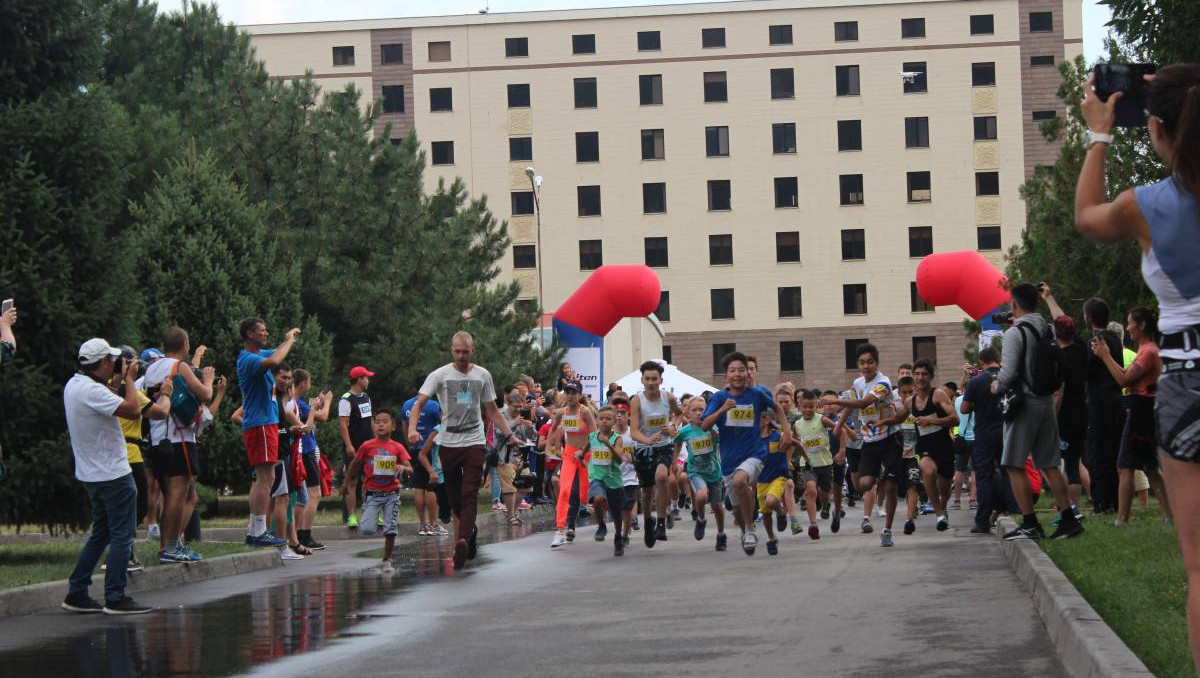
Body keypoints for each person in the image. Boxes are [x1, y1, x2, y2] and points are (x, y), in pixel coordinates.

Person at [1075, 65, 1200, 672]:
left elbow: (1086, 217)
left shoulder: (1145, 206)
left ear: (1153, 127)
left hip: (1187, 379)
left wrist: (1100, 134)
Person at [62, 339, 166, 615]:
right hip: (113, 473)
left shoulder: (76, 386)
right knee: (122, 534)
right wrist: (130, 380)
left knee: (102, 533)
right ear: (104, 362)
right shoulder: (92, 391)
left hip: (91, 473)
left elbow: (104, 397)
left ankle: (77, 591)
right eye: (113, 360)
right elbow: (132, 409)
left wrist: (119, 378)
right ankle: (115, 597)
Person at [406, 331, 519, 570]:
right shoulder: (440, 375)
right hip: (448, 443)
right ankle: (471, 531)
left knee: (470, 494)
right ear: (451, 350)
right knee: (456, 498)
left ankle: (463, 540)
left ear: (473, 351)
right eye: (457, 351)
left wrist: (509, 435)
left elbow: (492, 411)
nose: (461, 356)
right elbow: (418, 405)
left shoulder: (482, 375)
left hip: (474, 441)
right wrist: (412, 429)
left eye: (465, 352)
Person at [990, 283, 1084, 541]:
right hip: (1045, 402)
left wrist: (995, 386)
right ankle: (1069, 519)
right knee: (1049, 463)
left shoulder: (1014, 333)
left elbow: (1007, 375)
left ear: (1013, 304)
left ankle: (1030, 522)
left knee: (1013, 464)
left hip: (1024, 405)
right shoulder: (1047, 327)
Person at [702, 351, 790, 556]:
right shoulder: (719, 398)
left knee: (741, 482)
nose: (738, 374)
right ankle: (745, 529)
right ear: (726, 375)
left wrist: (786, 431)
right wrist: (722, 409)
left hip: (755, 454)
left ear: (748, 374)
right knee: (738, 509)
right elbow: (705, 425)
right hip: (729, 460)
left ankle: (750, 530)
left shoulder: (756, 395)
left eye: (742, 370)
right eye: (732, 371)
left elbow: (776, 407)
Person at [1093, 307, 1172, 526]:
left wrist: (1105, 355)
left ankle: (1122, 519)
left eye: (1130, 323)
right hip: (1145, 408)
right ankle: (1169, 515)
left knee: (1124, 466)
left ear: (1142, 325)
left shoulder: (1148, 352)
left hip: (1141, 410)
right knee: (1149, 466)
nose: (1127, 328)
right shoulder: (1147, 349)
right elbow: (1127, 376)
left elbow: (1123, 380)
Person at [142, 327, 214, 563]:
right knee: (177, 495)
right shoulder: (179, 366)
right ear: (185, 344)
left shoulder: (152, 368)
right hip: (179, 438)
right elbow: (205, 395)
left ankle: (166, 547)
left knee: (166, 493)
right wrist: (209, 381)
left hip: (157, 438)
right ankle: (171, 548)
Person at [236, 317, 298, 548]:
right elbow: (276, 359)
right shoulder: (250, 359)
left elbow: (277, 351)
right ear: (250, 334)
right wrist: (289, 341)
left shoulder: (258, 354)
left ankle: (255, 529)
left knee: (265, 478)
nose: (266, 334)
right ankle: (260, 529)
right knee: (266, 478)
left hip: (264, 423)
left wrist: (287, 339)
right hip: (260, 424)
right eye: (262, 331)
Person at [832, 343, 901, 547]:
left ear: (876, 363)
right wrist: (840, 425)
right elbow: (853, 403)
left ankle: (887, 530)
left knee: (890, 487)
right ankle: (880, 474)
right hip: (869, 441)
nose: (866, 366)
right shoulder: (858, 383)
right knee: (863, 484)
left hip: (889, 439)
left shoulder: (884, 382)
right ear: (858, 365)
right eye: (862, 362)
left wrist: (834, 400)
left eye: (870, 362)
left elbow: (863, 403)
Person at [116, 346, 171, 573]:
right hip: (131, 453)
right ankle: (123, 552)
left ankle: (121, 551)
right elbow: (160, 412)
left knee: (120, 507)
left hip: (116, 452)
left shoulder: (108, 387)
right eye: (135, 362)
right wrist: (166, 394)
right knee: (137, 507)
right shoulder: (129, 393)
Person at [344, 410, 413, 573]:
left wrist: (403, 467)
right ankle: (367, 511)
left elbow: (411, 469)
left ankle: (387, 560)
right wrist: (346, 483)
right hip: (373, 494)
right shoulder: (367, 446)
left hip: (392, 494)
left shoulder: (397, 447)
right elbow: (354, 464)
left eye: (385, 421)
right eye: (378, 422)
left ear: (393, 426)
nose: (381, 424)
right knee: (367, 529)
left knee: (390, 530)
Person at [629, 361, 682, 548]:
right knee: (647, 491)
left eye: (654, 379)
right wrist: (646, 440)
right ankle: (648, 522)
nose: (651, 382)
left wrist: (673, 426)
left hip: (663, 446)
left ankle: (661, 523)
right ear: (642, 380)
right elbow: (633, 430)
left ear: (661, 380)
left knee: (661, 477)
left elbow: (679, 414)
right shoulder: (637, 400)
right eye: (647, 379)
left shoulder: (668, 397)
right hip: (643, 448)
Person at [1045, 305, 1091, 516]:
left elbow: (1059, 394)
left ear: (1055, 334)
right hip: (1082, 411)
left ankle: (1071, 509)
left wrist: (1051, 419)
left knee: (1066, 466)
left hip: (1065, 416)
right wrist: (1049, 298)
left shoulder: (1060, 358)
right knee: (1074, 461)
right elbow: (1062, 319)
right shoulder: (1081, 349)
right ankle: (1075, 506)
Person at [906, 359, 959, 531]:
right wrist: (881, 423)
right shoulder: (910, 401)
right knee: (928, 472)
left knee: (944, 490)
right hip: (924, 447)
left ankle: (941, 508)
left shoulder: (938, 395)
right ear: (913, 376)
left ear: (931, 377)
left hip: (944, 446)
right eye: (917, 374)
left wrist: (930, 420)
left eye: (924, 374)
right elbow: (898, 417)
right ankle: (939, 515)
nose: (920, 378)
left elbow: (955, 419)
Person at [548, 381, 597, 546]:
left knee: (583, 496)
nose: (570, 396)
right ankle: (561, 529)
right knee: (565, 491)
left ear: (580, 395)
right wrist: (551, 448)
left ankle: (582, 520)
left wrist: (583, 452)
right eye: (567, 392)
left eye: (573, 393)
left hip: (585, 455)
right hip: (569, 455)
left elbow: (594, 435)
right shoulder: (562, 412)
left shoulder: (586, 412)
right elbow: (553, 428)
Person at [674, 397, 726, 549]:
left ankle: (721, 535)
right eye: (694, 410)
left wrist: (709, 427)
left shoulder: (713, 427)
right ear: (688, 413)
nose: (698, 413)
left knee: (717, 506)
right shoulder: (685, 431)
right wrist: (675, 461)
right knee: (702, 495)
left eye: (701, 410)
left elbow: (720, 440)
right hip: (695, 471)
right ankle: (701, 519)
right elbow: (677, 442)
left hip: (714, 471)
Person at [961, 347, 1003, 534]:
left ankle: (982, 521)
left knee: (984, 477)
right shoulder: (1008, 376)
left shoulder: (976, 381)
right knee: (1010, 472)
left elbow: (964, 409)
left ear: (981, 362)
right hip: (1007, 431)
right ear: (998, 358)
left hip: (984, 433)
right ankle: (1010, 510)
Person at [293, 369, 332, 550]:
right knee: (313, 494)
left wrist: (317, 405)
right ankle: (304, 534)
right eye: (309, 382)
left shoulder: (297, 404)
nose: (310, 385)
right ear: (303, 383)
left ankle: (298, 534)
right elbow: (323, 417)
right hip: (306, 450)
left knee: (304, 496)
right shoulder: (299, 403)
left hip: (305, 451)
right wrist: (327, 402)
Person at [582, 407, 628, 556]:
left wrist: (608, 444)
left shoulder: (617, 439)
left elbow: (620, 459)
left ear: (614, 422)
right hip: (596, 477)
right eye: (601, 418)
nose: (604, 421)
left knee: (616, 514)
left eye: (608, 419)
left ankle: (618, 537)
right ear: (597, 420)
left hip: (613, 480)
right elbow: (585, 449)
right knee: (597, 498)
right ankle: (601, 525)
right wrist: (580, 455)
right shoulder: (592, 437)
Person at [794, 390, 836, 540]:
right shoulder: (797, 424)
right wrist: (787, 458)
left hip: (824, 463)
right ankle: (813, 525)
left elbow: (840, 431)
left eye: (811, 407)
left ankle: (825, 505)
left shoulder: (822, 420)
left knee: (825, 493)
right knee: (811, 491)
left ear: (816, 406)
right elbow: (793, 442)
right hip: (807, 463)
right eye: (804, 407)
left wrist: (842, 449)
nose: (807, 410)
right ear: (799, 406)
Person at [338, 366, 375, 528]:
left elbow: (370, 420)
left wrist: (377, 440)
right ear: (359, 379)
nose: (368, 380)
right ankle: (351, 516)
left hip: (369, 446)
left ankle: (371, 513)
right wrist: (349, 445)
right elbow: (343, 425)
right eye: (366, 377)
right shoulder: (346, 399)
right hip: (354, 447)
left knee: (370, 480)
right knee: (352, 481)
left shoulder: (366, 397)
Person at [403, 392, 444, 536]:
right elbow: (441, 423)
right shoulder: (433, 405)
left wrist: (409, 443)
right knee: (431, 487)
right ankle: (433, 524)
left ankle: (422, 525)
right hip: (430, 449)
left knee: (418, 487)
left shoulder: (407, 404)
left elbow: (405, 425)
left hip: (414, 448)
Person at [756, 417, 791, 556]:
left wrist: (789, 460)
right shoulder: (752, 440)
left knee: (771, 501)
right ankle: (771, 538)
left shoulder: (777, 436)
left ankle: (781, 512)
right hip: (761, 479)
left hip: (778, 476)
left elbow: (792, 442)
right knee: (766, 514)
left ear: (765, 420)